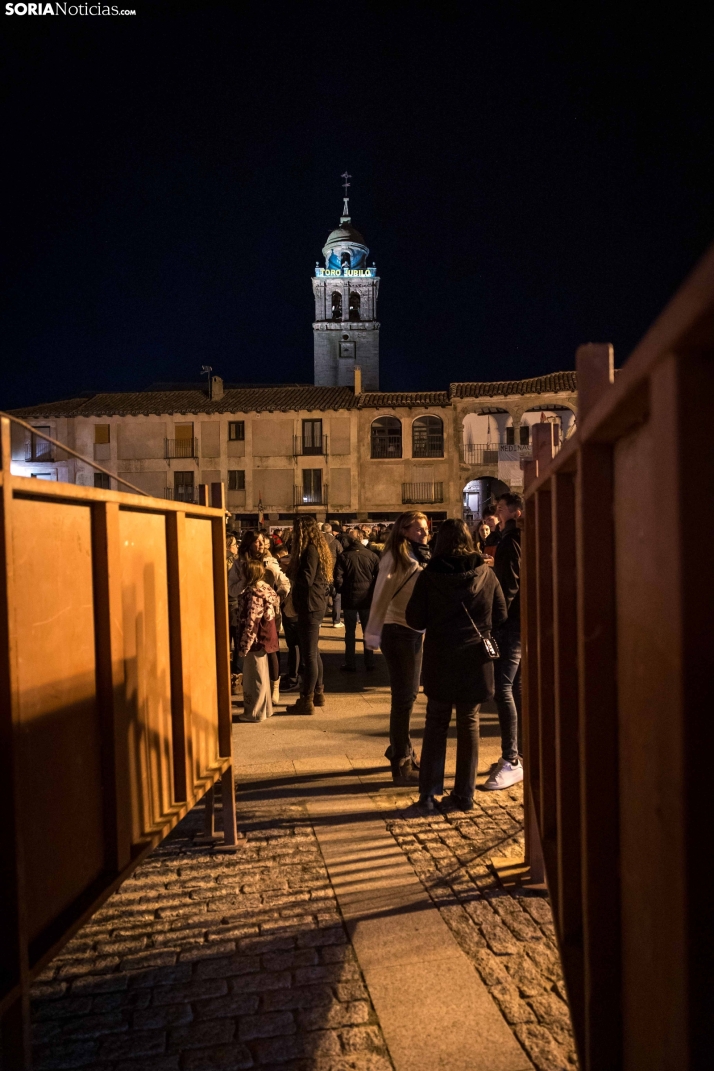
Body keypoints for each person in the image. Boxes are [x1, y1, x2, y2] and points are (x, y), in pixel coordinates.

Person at [406, 519, 507, 811]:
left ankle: (428, 794)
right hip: (475, 659)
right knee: (469, 723)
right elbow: (500, 614)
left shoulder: (429, 576)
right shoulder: (486, 575)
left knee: (436, 723)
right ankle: (464, 794)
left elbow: (416, 619)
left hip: (441, 657)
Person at [365, 510, 430, 783]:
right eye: (419, 529)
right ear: (404, 530)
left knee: (408, 696)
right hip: (397, 630)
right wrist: (372, 634)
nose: (425, 533)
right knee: (404, 698)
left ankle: (400, 748)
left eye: (427, 528)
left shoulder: (420, 554)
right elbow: (380, 595)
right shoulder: (395, 557)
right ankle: (401, 761)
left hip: (413, 630)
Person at [485, 492, 524, 790]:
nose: (497, 516)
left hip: (511, 624)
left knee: (503, 687)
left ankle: (511, 759)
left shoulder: (512, 541)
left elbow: (509, 588)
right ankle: (520, 753)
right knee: (517, 687)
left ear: (516, 513)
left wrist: (495, 621)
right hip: (524, 621)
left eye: (501, 510)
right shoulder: (521, 538)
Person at [228, 530, 290, 705]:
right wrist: (246, 581)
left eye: (264, 541)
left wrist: (277, 597)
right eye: (257, 541)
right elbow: (231, 589)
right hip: (246, 612)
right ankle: (255, 691)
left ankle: (274, 688)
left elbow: (284, 583)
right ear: (249, 544)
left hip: (268, 614)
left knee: (271, 648)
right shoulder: (239, 564)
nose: (262, 544)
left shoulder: (270, 561)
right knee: (250, 650)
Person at [286, 516, 333, 715]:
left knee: (309, 654)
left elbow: (306, 579)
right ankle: (318, 692)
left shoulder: (310, 550)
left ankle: (307, 699)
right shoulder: (317, 548)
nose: (294, 534)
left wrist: (291, 572)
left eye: (296, 530)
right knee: (314, 651)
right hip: (315, 604)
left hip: (309, 605)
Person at [235, 559, 281, 723]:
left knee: (254, 676)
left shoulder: (253, 593)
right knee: (262, 673)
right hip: (266, 637)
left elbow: (252, 622)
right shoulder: (266, 590)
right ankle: (265, 708)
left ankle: (255, 712)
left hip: (255, 640)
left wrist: (244, 645)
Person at [334, 531, 380, 671]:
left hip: (350, 599)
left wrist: (342, 590)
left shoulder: (344, 556)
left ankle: (350, 662)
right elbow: (379, 577)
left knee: (350, 632)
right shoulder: (372, 555)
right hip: (367, 599)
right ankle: (369, 661)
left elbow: (338, 578)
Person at [321, 522, 344, 628]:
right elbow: (342, 555)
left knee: (322, 596)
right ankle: (336, 620)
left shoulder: (317, 541)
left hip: (321, 572)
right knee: (336, 597)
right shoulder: (335, 542)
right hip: (334, 571)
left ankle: (319, 621)